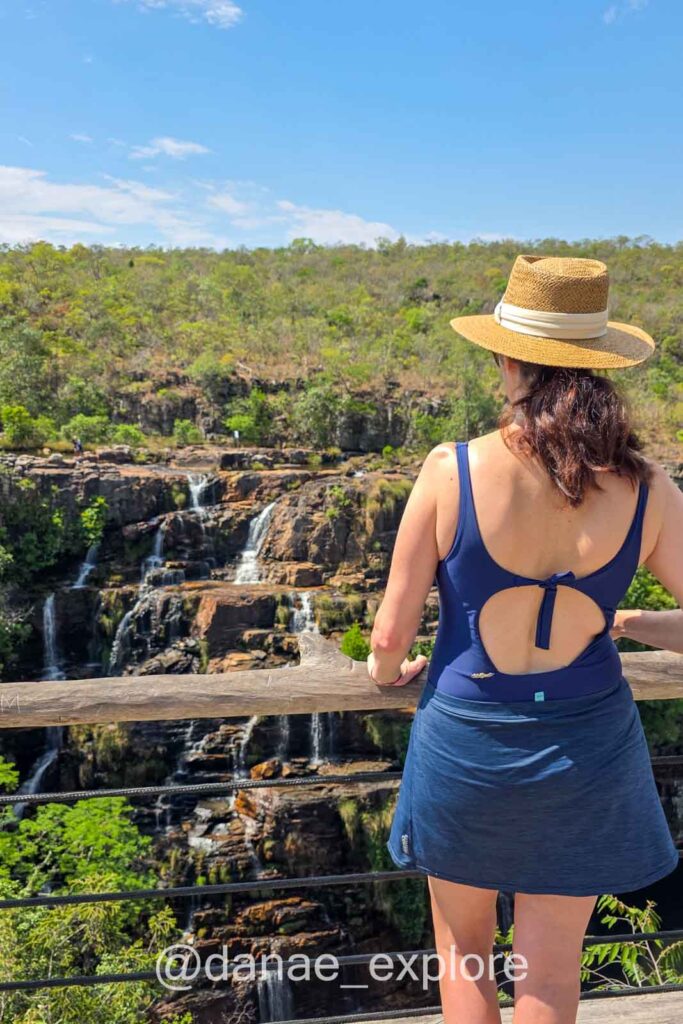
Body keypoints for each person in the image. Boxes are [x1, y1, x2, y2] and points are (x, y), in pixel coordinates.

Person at [367, 255, 683, 1024]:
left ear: (507, 359)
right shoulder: (648, 488)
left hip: (468, 734)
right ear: (600, 363)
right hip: (589, 746)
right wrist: (629, 623)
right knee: (547, 971)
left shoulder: (452, 469)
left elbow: (390, 632)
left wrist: (385, 672)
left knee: (464, 953)